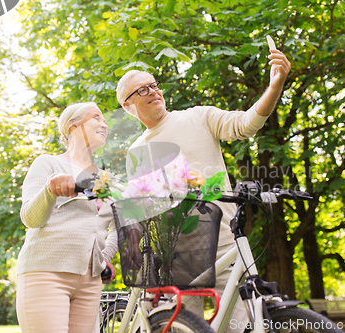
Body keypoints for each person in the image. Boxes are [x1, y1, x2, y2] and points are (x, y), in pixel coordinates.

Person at [116, 44, 291, 332]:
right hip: (177, 253)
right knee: (183, 326)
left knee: (244, 324)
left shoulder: (197, 116)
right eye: (143, 90)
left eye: (154, 85)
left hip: (223, 239)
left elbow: (246, 124)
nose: (154, 92)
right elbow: (142, 208)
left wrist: (275, 85)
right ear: (127, 105)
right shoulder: (137, 151)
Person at [16, 102, 118, 333]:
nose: (104, 123)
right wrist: (49, 191)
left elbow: (119, 226)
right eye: (97, 118)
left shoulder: (105, 179)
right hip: (46, 273)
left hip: (90, 282)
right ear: (73, 124)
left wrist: (103, 257)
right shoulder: (48, 163)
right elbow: (30, 219)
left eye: (105, 120)